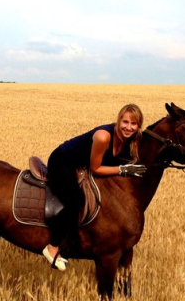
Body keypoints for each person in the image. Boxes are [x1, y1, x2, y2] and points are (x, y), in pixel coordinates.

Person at [42, 104, 147, 271]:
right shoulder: (103, 137)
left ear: (138, 126)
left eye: (134, 124)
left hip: (81, 164)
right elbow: (95, 169)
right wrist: (122, 170)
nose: (129, 127)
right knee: (75, 202)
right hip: (63, 162)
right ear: (118, 120)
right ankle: (52, 247)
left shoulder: (131, 140)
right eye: (125, 122)